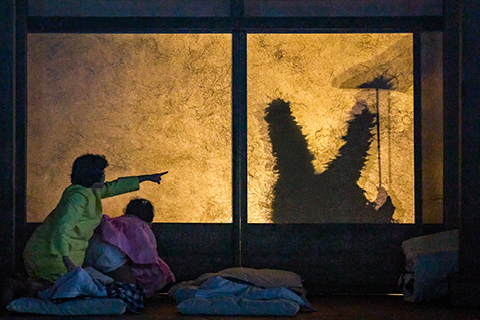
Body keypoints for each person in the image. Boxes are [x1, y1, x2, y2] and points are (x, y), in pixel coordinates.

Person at [21, 153, 166, 289]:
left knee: (53, 288)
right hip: (51, 254)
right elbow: (63, 227)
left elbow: (114, 187)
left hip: (64, 253)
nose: (105, 177)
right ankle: (18, 287)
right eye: (103, 173)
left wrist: (147, 178)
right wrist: (66, 259)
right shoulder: (77, 196)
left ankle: (21, 287)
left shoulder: (91, 192)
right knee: (64, 289)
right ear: (93, 175)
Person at [83, 198, 175, 298]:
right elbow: (145, 254)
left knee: (111, 278)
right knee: (131, 290)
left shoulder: (118, 220)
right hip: (110, 254)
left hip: (89, 247)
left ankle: (90, 276)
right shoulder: (141, 226)